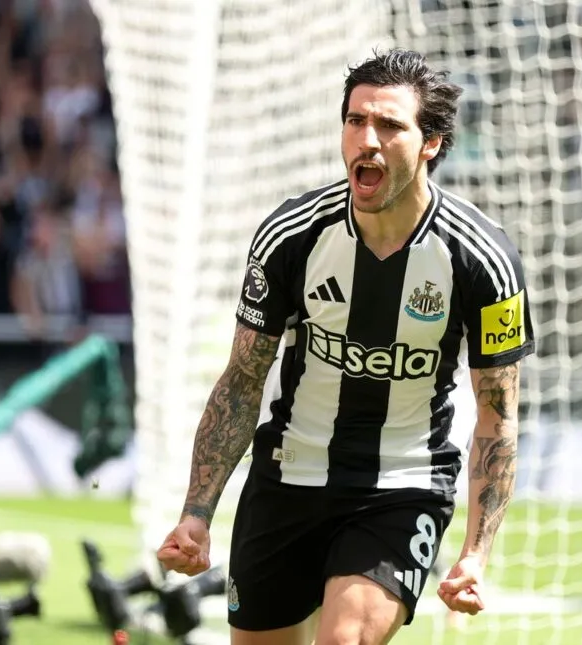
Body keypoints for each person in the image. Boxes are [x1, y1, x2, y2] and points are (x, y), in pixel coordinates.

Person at [156, 48, 535, 645]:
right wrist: (197, 513)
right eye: (356, 120)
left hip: (403, 484)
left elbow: (498, 414)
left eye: (390, 125)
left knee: (344, 640)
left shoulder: (482, 259)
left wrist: (475, 553)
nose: (368, 140)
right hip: (287, 476)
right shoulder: (292, 236)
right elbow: (242, 382)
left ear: (431, 143)